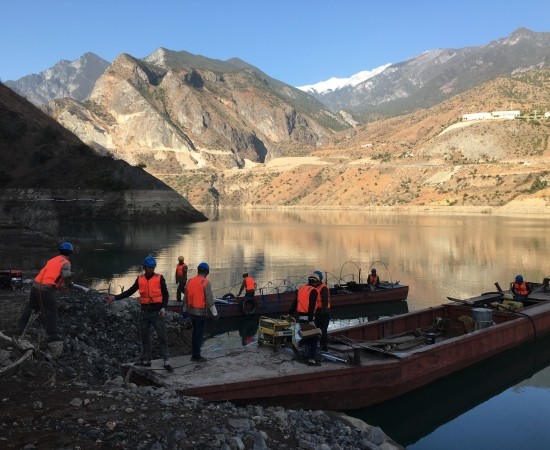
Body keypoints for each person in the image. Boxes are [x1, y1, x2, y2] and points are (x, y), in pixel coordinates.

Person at [104, 256, 173, 372]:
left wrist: (163, 308)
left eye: (152, 267)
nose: (151, 269)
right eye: (148, 267)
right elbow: (130, 291)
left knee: (162, 337)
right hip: (144, 313)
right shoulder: (140, 279)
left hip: (157, 313)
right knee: (145, 337)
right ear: (144, 267)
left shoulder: (160, 278)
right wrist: (115, 298)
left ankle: (166, 361)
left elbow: (165, 295)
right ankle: (146, 360)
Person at [17, 242, 75, 356]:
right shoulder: (66, 262)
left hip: (36, 285)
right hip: (46, 289)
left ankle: (19, 328)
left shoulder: (52, 260)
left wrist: (59, 286)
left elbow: (51, 275)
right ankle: (53, 336)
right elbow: (67, 276)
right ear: (70, 253)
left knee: (30, 307)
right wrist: (69, 284)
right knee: (51, 310)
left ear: (60, 251)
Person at [183, 262, 219, 362]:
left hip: (191, 313)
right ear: (207, 272)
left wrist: (185, 314)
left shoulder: (190, 281)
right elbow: (210, 301)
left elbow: (185, 299)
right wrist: (215, 314)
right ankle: (196, 356)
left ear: (198, 270)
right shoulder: (205, 282)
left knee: (194, 333)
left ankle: (194, 353)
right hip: (200, 314)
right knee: (198, 335)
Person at [288, 273, 321, 366]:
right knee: (315, 338)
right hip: (308, 318)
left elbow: (295, 303)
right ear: (316, 282)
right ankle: (311, 359)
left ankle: (297, 344)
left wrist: (289, 314)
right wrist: (311, 320)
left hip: (301, 317)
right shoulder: (313, 291)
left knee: (309, 336)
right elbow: (311, 307)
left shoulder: (301, 288)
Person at [313, 270, 330, 352]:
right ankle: (319, 346)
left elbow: (325, 303)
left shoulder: (323, 288)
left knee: (323, 330)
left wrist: (321, 313)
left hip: (324, 312)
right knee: (318, 330)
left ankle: (324, 348)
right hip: (318, 312)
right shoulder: (316, 287)